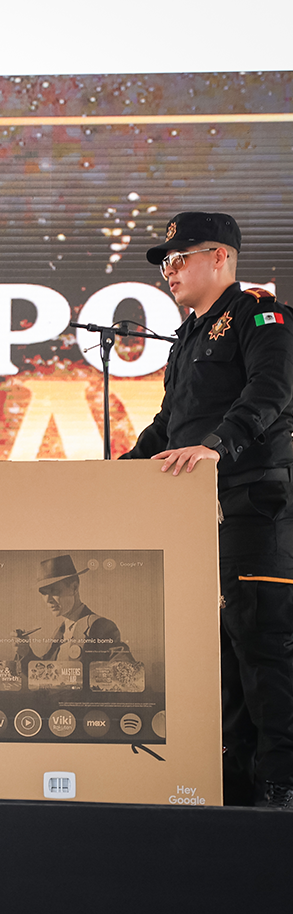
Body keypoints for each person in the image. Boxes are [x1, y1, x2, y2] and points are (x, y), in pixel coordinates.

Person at [122, 211, 293, 810]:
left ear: (219, 257)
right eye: (165, 263)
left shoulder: (260, 316)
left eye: (179, 258)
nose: (169, 271)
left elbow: (271, 392)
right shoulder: (189, 337)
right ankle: (238, 795)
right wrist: (116, 473)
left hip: (256, 509)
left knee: (264, 650)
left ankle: (282, 791)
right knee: (219, 656)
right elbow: (170, 425)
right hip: (201, 517)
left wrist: (217, 447)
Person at [14, 555, 132, 669]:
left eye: (54, 591)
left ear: (74, 587)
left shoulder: (99, 626)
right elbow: (46, 677)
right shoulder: (59, 633)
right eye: (44, 593)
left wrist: (83, 679)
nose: (47, 600)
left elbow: (128, 672)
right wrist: (25, 652)